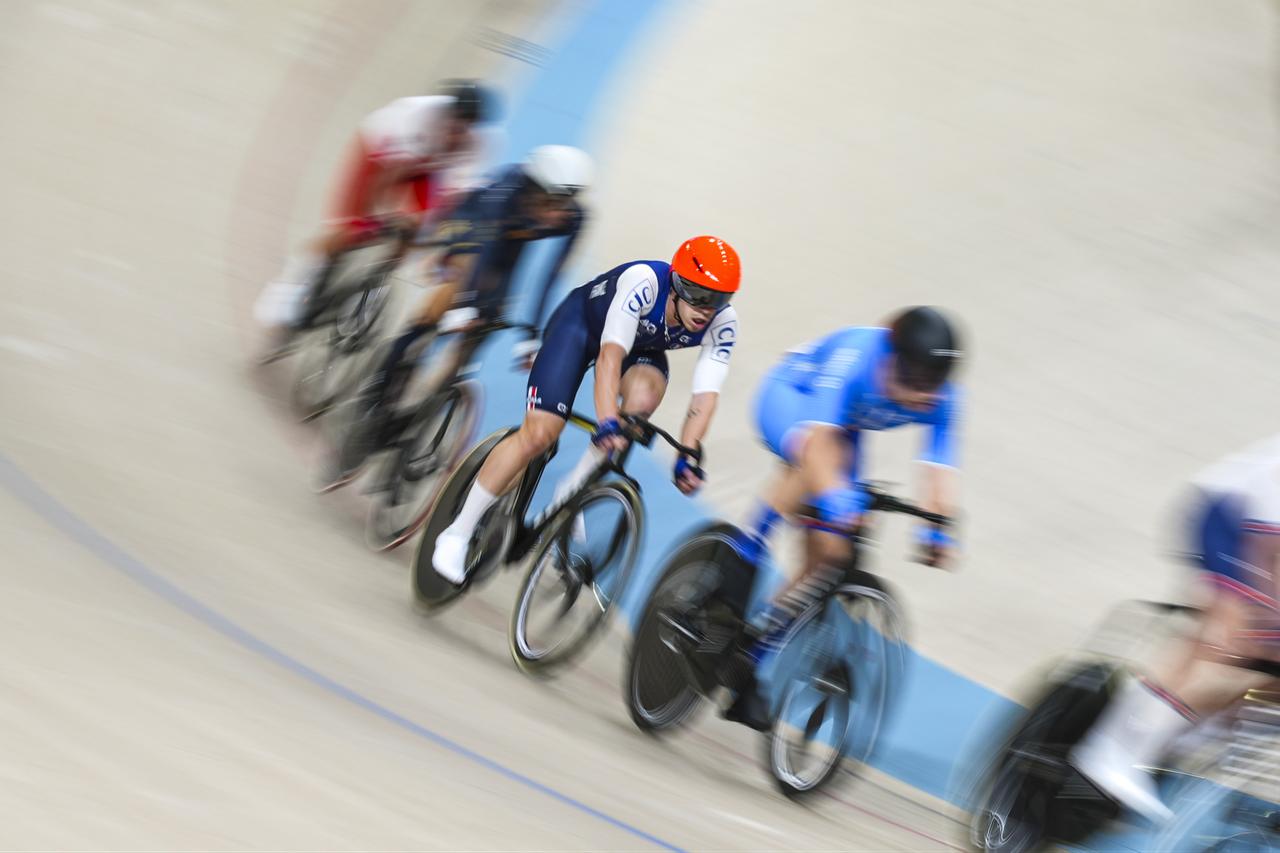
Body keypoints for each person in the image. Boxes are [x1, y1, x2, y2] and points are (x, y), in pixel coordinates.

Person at [430, 236, 744, 584]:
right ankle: (457, 533)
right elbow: (610, 357)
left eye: (719, 300)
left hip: (638, 349)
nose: (706, 309)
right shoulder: (644, 283)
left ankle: (573, 489)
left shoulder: (723, 323)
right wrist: (607, 420)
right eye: (699, 296)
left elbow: (705, 395)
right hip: (580, 329)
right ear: (676, 285)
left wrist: (687, 453)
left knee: (643, 399)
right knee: (540, 433)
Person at [721, 306, 964, 728]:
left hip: (843, 429)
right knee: (815, 468)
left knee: (830, 556)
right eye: (915, 381)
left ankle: (750, 654)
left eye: (934, 385)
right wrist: (834, 499)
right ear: (891, 358)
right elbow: (818, 443)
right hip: (793, 397)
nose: (926, 395)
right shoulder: (856, 356)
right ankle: (744, 553)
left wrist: (939, 528)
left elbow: (940, 469)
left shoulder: (942, 396)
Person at [322, 145, 593, 488]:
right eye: (552, 202)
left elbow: (547, 278)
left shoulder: (573, 218)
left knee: (489, 319)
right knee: (447, 301)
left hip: (505, 251)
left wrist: (532, 335)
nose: (558, 213)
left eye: (566, 204)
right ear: (533, 188)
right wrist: (463, 303)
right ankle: (374, 395)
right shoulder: (506, 193)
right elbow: (481, 255)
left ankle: (424, 412)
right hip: (468, 229)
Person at [1070, 436, 1280, 822]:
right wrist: (1265, 625)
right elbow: (1265, 552)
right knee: (1229, 639)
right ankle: (1116, 748)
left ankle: (1188, 727)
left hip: (1266, 543)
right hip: (1229, 518)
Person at [254, 80, 500, 340]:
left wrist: (431, 234)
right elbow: (388, 177)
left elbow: (453, 197)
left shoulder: (481, 143)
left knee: (415, 230)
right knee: (355, 228)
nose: (459, 133)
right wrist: (375, 218)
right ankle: (289, 286)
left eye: (468, 127)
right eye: (456, 124)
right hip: (379, 150)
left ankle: (372, 286)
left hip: (428, 168)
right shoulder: (418, 117)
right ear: (447, 115)